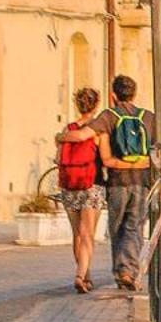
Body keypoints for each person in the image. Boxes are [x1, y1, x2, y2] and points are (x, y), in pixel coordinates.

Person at [92, 74, 155, 291]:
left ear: (113, 95)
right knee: (134, 226)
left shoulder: (109, 116)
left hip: (117, 181)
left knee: (117, 227)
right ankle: (128, 269)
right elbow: (159, 150)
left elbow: (89, 133)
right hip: (141, 180)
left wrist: (62, 138)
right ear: (134, 94)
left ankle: (123, 271)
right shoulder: (148, 117)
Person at [53, 87, 106, 293]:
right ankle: (81, 275)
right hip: (91, 185)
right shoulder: (98, 131)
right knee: (88, 234)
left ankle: (86, 274)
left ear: (78, 105)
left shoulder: (67, 131)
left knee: (77, 234)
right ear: (96, 105)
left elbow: (58, 159)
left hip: (69, 185)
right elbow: (106, 158)